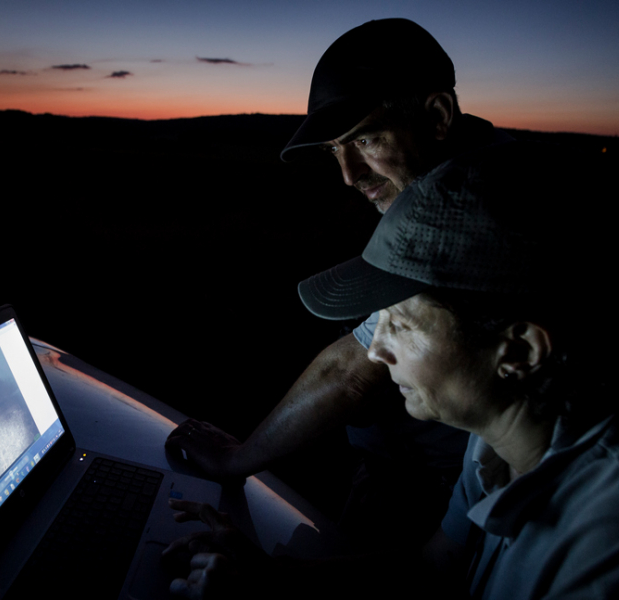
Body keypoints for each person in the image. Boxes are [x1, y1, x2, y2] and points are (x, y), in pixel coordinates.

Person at [163, 141, 617, 599]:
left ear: (518, 352)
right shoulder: (492, 446)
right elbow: (434, 568)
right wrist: (274, 579)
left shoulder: (599, 547)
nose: (376, 351)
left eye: (401, 324)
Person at [166, 18, 510, 548]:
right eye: (333, 150)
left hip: (429, 493)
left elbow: (355, 371)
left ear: (438, 115)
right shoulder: (444, 185)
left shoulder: (469, 218)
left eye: (365, 138)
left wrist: (239, 459)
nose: (348, 173)